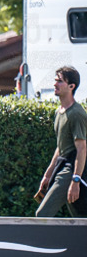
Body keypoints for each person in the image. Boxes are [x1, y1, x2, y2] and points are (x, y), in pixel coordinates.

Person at [33, 66, 87, 218]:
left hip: (70, 170)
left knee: (42, 215)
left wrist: (76, 180)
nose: (55, 84)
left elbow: (82, 149)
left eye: (60, 81)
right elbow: (60, 147)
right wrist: (48, 174)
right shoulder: (59, 112)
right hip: (61, 166)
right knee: (80, 219)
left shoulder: (77, 113)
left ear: (71, 86)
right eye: (55, 80)